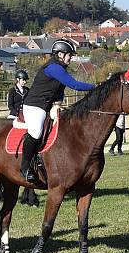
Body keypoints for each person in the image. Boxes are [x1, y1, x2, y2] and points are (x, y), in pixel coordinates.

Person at [20, 39, 95, 182]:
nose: (71, 58)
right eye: (69, 55)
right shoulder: (54, 67)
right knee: (36, 131)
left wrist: (58, 104)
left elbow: (60, 90)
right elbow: (74, 85)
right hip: (35, 106)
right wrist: (95, 87)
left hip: (47, 106)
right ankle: (25, 167)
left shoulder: (60, 68)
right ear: (60, 54)